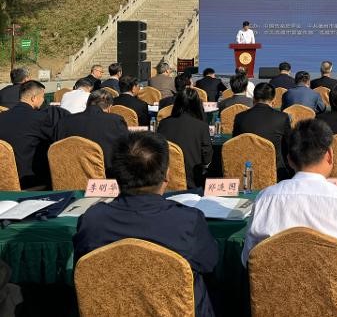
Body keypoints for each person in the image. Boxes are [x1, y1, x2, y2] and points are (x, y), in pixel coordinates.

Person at [73, 132, 218, 317]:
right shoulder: (188, 222)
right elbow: (209, 263)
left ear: (115, 176)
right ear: (166, 174)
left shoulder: (92, 221)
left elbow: (82, 270)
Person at [241, 119, 337, 282]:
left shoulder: (265, 199)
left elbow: (249, 261)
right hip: (333, 298)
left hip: (275, 297)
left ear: (289, 160)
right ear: (329, 155)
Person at [0, 80, 58, 188]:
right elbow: (55, 142)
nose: (43, 100)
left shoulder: (2, 116)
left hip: (4, 179)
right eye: (42, 97)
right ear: (33, 98)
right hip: (29, 180)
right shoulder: (40, 118)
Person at [56, 89, 128, 172]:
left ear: (87, 104)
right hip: (106, 174)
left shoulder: (64, 121)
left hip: (69, 172)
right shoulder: (116, 121)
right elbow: (125, 148)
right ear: (109, 107)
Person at [233, 83, 293, 180]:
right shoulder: (282, 117)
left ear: (253, 99)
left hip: (247, 169)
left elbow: (235, 144)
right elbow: (289, 145)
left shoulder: (239, 117)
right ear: (273, 100)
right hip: (275, 170)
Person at [157, 88, 212, 189]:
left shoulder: (163, 123)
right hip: (193, 182)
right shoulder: (201, 126)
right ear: (197, 105)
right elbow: (207, 157)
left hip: (166, 180)